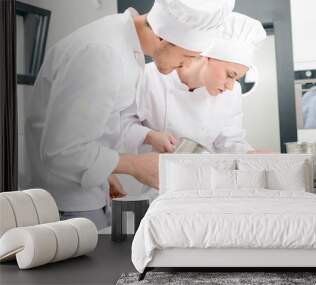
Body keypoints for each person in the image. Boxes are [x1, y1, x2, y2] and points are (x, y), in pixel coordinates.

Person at [25, 0, 234, 229]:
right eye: (187, 55)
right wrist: (133, 165)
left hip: (86, 193)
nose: (186, 65)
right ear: (163, 37)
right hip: (65, 205)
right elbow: (61, 151)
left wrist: (114, 165)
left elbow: (100, 126)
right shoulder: (102, 52)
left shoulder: (125, 46)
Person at [123, 12, 267, 157]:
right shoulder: (148, 77)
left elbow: (230, 140)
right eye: (230, 75)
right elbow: (122, 124)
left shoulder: (232, 92)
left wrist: (250, 154)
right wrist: (149, 136)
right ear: (208, 57)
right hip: (155, 173)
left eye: (236, 79)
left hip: (204, 173)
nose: (230, 86)